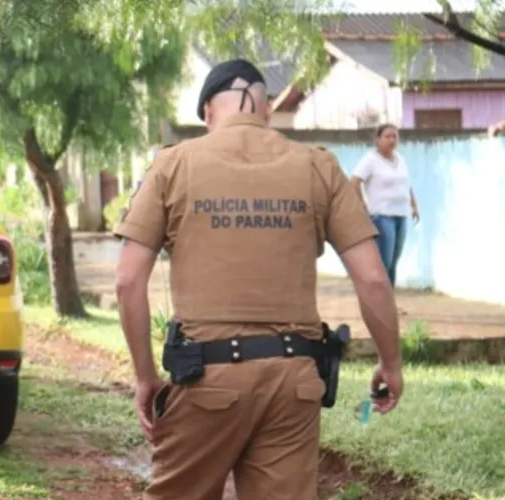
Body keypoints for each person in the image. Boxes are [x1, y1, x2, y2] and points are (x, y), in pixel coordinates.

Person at [114, 59, 404, 500]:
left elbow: (128, 283)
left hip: (204, 381)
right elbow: (374, 281)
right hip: (294, 386)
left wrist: (144, 377)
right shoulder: (317, 167)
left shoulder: (173, 165)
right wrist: (391, 363)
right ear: (266, 108)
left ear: (209, 111)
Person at [350, 124, 420, 287]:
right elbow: (353, 182)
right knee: (384, 262)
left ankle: (389, 304)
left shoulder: (399, 159)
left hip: (401, 215)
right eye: (387, 136)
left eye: (395, 136)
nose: (392, 140)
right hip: (382, 216)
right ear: (378, 139)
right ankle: (379, 303)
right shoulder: (371, 160)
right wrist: (363, 207)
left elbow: (406, 184)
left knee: (394, 261)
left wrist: (414, 206)